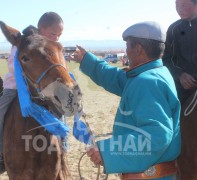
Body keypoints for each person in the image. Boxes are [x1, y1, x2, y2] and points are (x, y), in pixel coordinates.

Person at [74, 22, 181, 179]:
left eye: (127, 46)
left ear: (138, 49)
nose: (126, 51)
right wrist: (88, 61)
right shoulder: (153, 73)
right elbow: (117, 79)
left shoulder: (146, 82)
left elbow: (157, 135)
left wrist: (107, 151)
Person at [0, 11, 64, 176]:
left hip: (41, 88)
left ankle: (63, 144)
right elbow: (12, 65)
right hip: (14, 87)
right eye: (53, 33)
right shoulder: (24, 43)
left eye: (59, 35)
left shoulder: (51, 47)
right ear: (42, 30)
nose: (56, 37)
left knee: (59, 110)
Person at [162, 0, 197, 104]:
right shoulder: (173, 29)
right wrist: (179, 75)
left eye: (183, 5)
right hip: (181, 86)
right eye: (177, 5)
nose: (179, 9)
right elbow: (166, 58)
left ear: (196, 5)